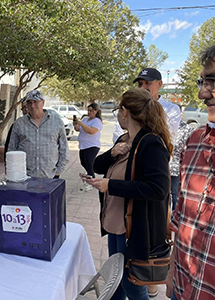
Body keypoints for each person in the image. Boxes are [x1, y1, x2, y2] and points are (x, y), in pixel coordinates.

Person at [87, 88, 172, 300]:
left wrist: (111, 185)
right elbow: (97, 164)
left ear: (125, 112)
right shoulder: (126, 139)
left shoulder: (150, 143)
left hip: (133, 228)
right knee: (115, 280)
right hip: (117, 223)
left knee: (132, 284)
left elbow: (158, 189)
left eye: (118, 109)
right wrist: (112, 153)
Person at [166, 45, 215, 300]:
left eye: (213, 81)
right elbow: (183, 215)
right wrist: (173, 270)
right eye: (202, 81)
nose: (202, 93)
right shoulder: (195, 141)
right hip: (183, 285)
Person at [7, 89, 70, 178]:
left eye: (35, 102)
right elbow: (12, 149)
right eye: (29, 102)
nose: (32, 106)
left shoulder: (56, 122)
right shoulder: (19, 123)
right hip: (25, 177)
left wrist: (58, 171)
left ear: (43, 102)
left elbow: (64, 149)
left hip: (50, 177)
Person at [113, 67, 181, 144]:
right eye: (140, 84)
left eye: (148, 83)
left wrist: (130, 133)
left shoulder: (171, 109)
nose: (142, 87)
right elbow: (117, 137)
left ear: (159, 84)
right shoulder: (130, 107)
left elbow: (166, 137)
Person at [169, 104, 194, 211]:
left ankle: (173, 219)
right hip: (163, 165)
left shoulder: (187, 129)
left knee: (174, 193)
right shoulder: (165, 126)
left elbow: (188, 150)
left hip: (176, 167)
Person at [73, 103, 103, 191]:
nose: (89, 112)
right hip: (83, 146)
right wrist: (75, 124)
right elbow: (78, 129)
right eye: (88, 110)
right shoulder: (85, 119)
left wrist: (81, 123)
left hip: (92, 145)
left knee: (89, 163)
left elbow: (91, 131)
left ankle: (92, 181)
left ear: (96, 111)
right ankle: (91, 175)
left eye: (91, 111)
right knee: (83, 162)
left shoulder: (97, 121)